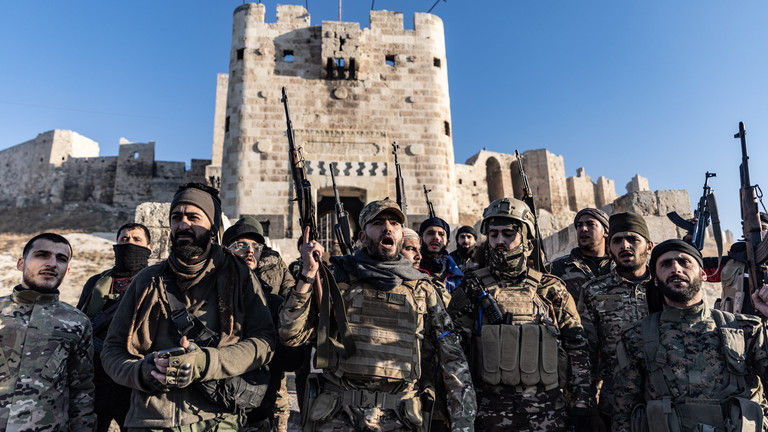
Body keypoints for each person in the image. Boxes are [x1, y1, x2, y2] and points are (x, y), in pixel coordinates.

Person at [280, 198, 476, 431]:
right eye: (378, 223)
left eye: (394, 222)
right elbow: (290, 334)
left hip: (400, 418)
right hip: (338, 416)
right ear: (362, 237)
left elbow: (453, 360)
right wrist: (307, 275)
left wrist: (463, 424)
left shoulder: (422, 288)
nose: (387, 227)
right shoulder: (337, 280)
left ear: (401, 234)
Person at [101, 183, 276, 431]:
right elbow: (112, 351)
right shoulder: (147, 280)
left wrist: (205, 363)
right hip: (150, 420)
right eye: (176, 218)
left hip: (216, 420)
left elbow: (264, 343)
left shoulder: (240, 278)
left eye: (193, 217)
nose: (183, 225)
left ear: (213, 227)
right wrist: (143, 372)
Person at [447, 197, 591, 432]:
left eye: (508, 233)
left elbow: (577, 347)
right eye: (493, 235)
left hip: (548, 414)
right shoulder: (472, 287)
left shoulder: (550, 288)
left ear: (525, 237)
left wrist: (582, 401)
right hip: (490, 415)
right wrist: (461, 413)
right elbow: (454, 355)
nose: (500, 241)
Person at [613, 239, 768, 431]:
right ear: (655, 279)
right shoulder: (636, 337)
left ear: (703, 274)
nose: (676, 268)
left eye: (684, 262)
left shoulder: (746, 329)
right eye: (665, 264)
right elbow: (624, 413)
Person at [0, 233, 96, 431]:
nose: (52, 264)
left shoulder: (77, 323)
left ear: (67, 271)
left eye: (61, 259)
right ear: (20, 263)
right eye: (42, 255)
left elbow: (82, 393)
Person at [577, 212, 656, 429]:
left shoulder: (664, 287)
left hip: (667, 399)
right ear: (609, 248)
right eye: (617, 240)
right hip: (616, 406)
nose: (625, 245)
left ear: (649, 246)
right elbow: (585, 353)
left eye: (633, 239)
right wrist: (588, 407)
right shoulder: (594, 291)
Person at [222, 216, 297, 432]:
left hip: (258, 404)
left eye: (255, 246)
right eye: (241, 245)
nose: (249, 251)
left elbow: (292, 357)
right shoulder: (207, 295)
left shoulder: (272, 301)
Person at [76, 223, 152, 432]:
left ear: (149, 247)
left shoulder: (156, 283)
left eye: (137, 240)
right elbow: (81, 322)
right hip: (95, 380)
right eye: (124, 239)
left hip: (133, 381)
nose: (130, 243)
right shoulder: (97, 282)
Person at [550, 208, 611, 301]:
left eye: (590, 224)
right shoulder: (557, 268)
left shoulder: (618, 267)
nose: (583, 229)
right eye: (579, 225)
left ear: (605, 231)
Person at [419, 216, 464, 293]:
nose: (436, 237)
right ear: (420, 240)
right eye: (430, 233)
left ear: (448, 243)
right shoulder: (413, 271)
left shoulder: (457, 276)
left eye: (441, 234)